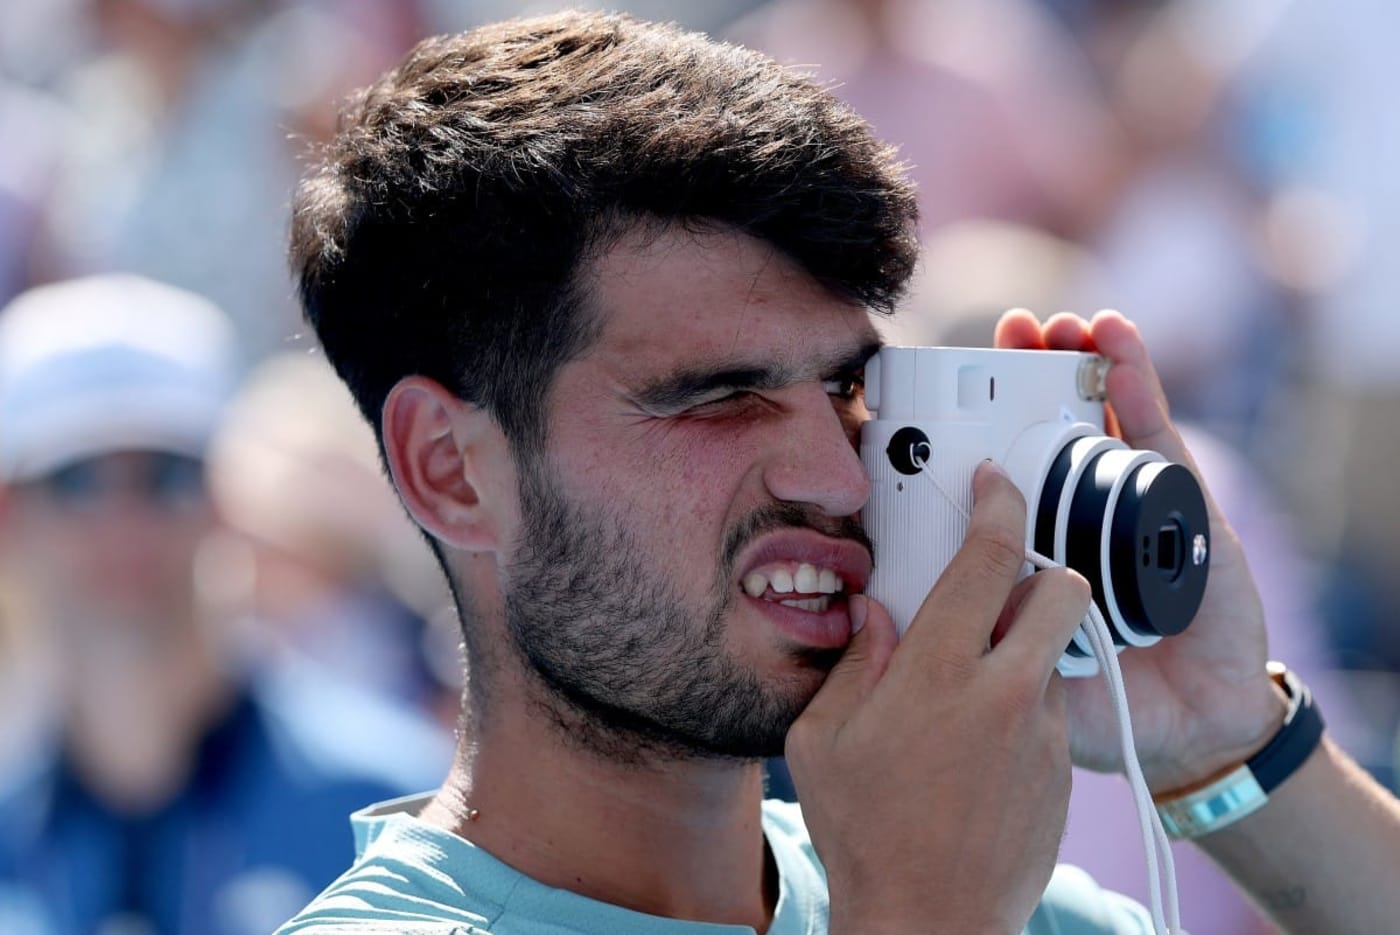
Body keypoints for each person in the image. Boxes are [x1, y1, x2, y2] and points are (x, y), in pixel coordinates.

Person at [277, 11, 1400, 934]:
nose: (841, 474)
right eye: (720, 396)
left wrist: (1223, 741)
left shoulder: (1009, 900)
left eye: (853, 389)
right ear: (450, 469)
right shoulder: (955, 896)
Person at [0, 274, 448, 935]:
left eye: (166, 474)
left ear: (221, 495)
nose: (125, 522)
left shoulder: (396, 809)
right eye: (77, 480)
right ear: (9, 513)